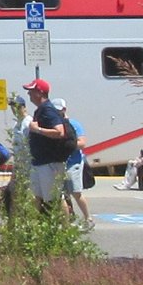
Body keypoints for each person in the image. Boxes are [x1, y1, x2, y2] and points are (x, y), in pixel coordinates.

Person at [24, 78, 69, 208]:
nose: (29, 95)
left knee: (54, 198)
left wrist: (37, 129)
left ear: (40, 93)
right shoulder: (40, 110)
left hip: (49, 162)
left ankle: (65, 226)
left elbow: (59, 131)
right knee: (35, 196)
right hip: (39, 161)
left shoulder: (48, 110)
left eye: (31, 91)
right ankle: (35, 225)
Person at [55, 98, 93, 230]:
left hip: (73, 163)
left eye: (59, 110)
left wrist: (67, 145)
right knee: (61, 194)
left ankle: (88, 218)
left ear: (64, 109)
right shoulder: (55, 125)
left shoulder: (74, 124)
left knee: (76, 192)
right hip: (60, 163)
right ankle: (66, 223)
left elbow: (82, 143)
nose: (58, 113)